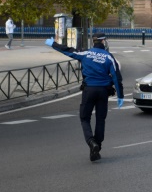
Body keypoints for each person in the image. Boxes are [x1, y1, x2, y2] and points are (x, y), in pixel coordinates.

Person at [45, 32, 123, 161]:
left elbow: (68, 51)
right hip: (103, 91)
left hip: (89, 90)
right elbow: (116, 77)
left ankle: (91, 142)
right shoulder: (109, 57)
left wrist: (53, 44)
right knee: (100, 119)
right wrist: (120, 96)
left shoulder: (86, 53)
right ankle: (97, 147)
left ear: (94, 42)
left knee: (84, 118)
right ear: (103, 42)